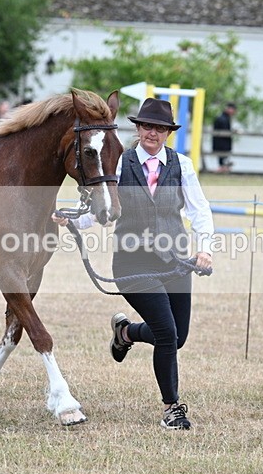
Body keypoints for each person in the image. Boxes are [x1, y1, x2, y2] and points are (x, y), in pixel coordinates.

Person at [52, 98, 214, 430]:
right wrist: (72, 219)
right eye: (147, 126)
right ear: (138, 128)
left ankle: (125, 332)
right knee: (166, 334)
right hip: (132, 262)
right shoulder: (120, 162)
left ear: (168, 132)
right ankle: (172, 409)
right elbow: (101, 208)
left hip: (175, 261)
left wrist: (205, 250)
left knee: (177, 337)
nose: (152, 133)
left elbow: (199, 210)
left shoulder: (182, 165)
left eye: (160, 128)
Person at [212, 102, 237, 173]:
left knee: (223, 159)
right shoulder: (223, 119)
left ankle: (223, 167)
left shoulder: (224, 118)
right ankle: (222, 168)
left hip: (222, 143)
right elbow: (224, 131)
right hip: (222, 143)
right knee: (223, 158)